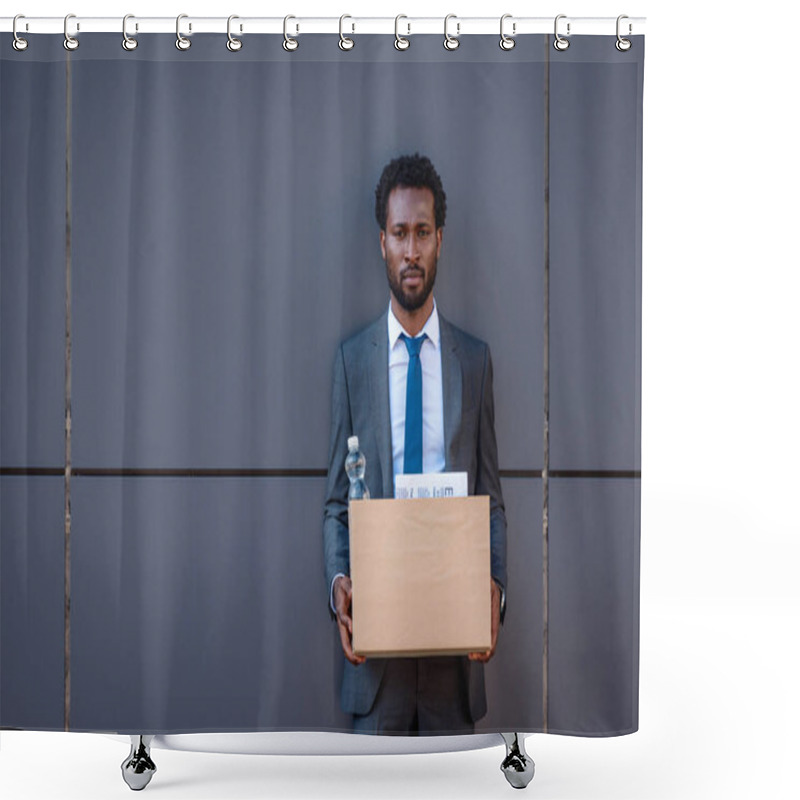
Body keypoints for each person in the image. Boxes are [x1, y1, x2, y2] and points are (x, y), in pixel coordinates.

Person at [322, 153, 507, 735]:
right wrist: (338, 585)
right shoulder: (353, 363)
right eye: (400, 233)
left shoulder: (473, 362)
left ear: (439, 239)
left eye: (422, 233)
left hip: (455, 657)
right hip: (377, 658)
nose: (411, 249)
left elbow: (491, 499)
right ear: (382, 242)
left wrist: (495, 594)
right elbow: (335, 505)